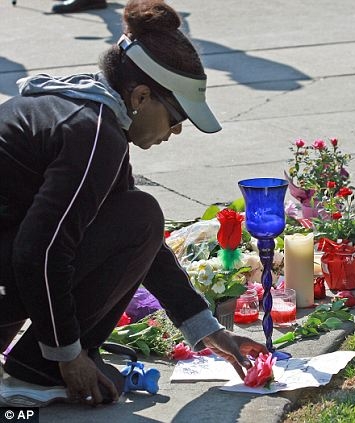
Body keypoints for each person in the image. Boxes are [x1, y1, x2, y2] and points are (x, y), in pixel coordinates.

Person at [0, 0, 268, 407]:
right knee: (143, 214)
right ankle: (38, 372)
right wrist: (67, 356)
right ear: (141, 96)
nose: (176, 131)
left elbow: (143, 250)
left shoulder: (88, 116)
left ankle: (38, 364)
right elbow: (41, 251)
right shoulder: (94, 134)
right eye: (177, 115)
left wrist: (206, 328)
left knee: (134, 215)